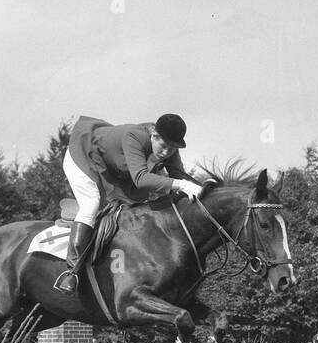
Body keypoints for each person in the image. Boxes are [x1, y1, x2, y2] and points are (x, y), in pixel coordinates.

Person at [56, 113, 206, 292]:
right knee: (91, 204)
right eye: (163, 146)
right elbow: (142, 179)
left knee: (135, 213)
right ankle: (72, 272)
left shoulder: (169, 146)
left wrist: (204, 189)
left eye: (172, 149)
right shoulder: (134, 137)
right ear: (154, 136)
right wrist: (181, 185)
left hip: (116, 171)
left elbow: (180, 177)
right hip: (84, 154)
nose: (166, 153)